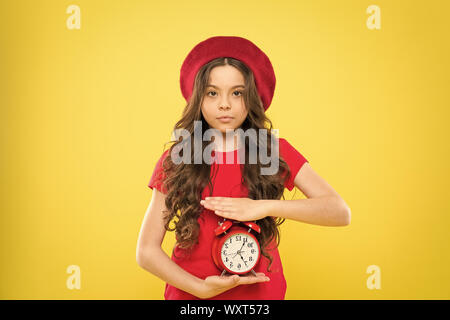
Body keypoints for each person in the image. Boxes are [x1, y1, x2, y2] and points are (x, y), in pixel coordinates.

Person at [136, 36, 351, 300]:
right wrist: (200, 289)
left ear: (251, 98)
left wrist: (264, 206)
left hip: (259, 296)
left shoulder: (272, 150)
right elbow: (146, 251)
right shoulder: (180, 156)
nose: (224, 104)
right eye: (212, 93)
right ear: (198, 99)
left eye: (236, 93)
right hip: (191, 296)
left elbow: (339, 212)